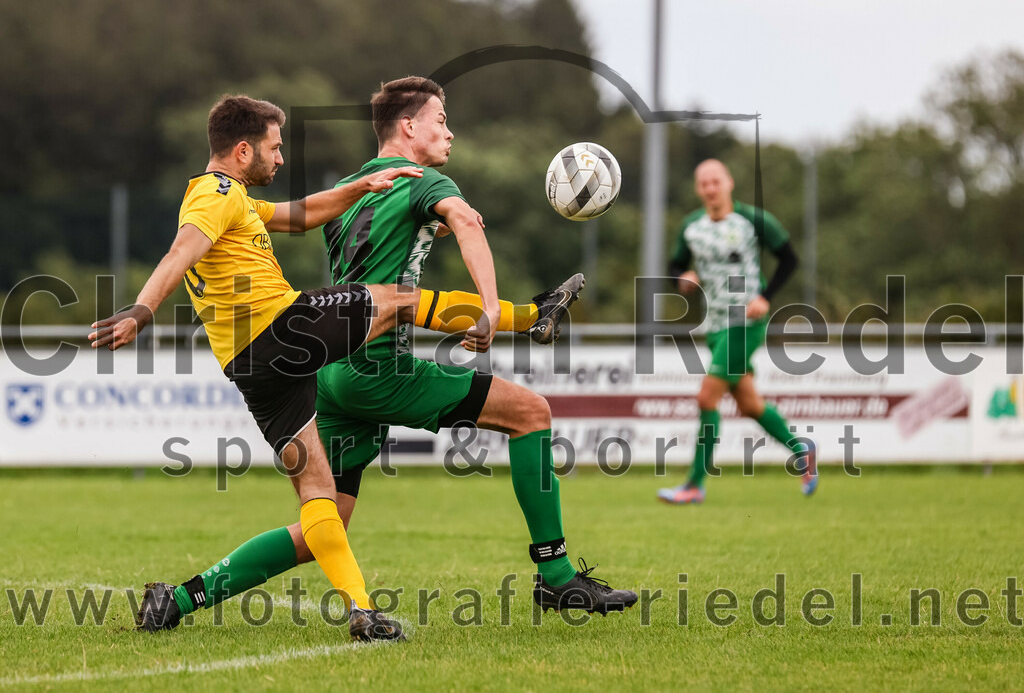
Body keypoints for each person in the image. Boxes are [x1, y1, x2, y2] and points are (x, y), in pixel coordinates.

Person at [131, 77, 638, 636]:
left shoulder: (359, 186)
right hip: (377, 368)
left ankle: (180, 598)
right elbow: (467, 221)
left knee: (324, 520)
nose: (450, 130)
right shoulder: (423, 181)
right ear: (410, 127)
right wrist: (491, 307)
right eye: (441, 118)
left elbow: (303, 216)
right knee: (530, 413)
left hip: (327, 372)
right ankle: (557, 575)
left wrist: (419, 226)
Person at [89, 94, 511, 641]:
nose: (281, 159)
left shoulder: (236, 199)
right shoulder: (214, 194)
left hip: (251, 367)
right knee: (399, 299)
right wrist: (143, 309)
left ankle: (357, 613)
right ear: (243, 150)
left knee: (319, 494)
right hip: (281, 328)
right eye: (274, 147)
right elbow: (181, 251)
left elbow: (304, 214)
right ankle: (520, 318)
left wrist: (358, 187)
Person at [656, 159, 817, 505]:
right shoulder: (691, 226)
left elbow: (789, 258)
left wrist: (765, 297)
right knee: (748, 404)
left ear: (729, 182)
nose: (711, 189)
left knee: (706, 398)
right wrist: (681, 277)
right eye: (704, 184)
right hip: (713, 324)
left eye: (716, 181)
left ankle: (694, 485)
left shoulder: (754, 220)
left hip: (745, 321)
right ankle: (801, 450)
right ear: (698, 190)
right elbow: (675, 265)